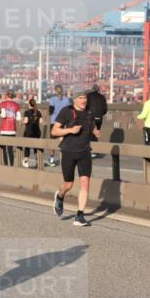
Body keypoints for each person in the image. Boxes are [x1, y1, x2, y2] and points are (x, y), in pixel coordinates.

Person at [51, 90, 99, 227]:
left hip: (85, 152)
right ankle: (60, 196)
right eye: (80, 98)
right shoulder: (67, 111)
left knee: (85, 184)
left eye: (85, 98)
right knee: (68, 184)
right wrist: (70, 131)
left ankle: (79, 216)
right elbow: (54, 131)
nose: (84, 100)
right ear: (74, 100)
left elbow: (92, 127)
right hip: (68, 151)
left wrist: (95, 131)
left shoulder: (89, 113)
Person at [46, 85, 70, 167]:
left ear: (55, 91)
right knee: (63, 142)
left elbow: (51, 111)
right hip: (63, 123)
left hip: (54, 123)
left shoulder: (52, 99)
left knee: (53, 142)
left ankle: (52, 160)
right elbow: (69, 111)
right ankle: (64, 161)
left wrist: (50, 111)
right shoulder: (66, 100)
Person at [0, 90, 22, 166]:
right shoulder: (16, 105)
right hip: (12, 129)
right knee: (10, 149)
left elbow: (4, 115)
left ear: (7, 95)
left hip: (4, 129)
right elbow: (18, 118)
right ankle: (11, 164)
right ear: (13, 96)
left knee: (4, 149)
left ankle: (6, 164)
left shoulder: (3, 104)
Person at [21, 98, 43, 168]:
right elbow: (41, 122)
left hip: (29, 131)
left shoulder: (27, 112)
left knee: (27, 147)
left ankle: (26, 161)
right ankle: (37, 161)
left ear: (29, 104)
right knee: (36, 147)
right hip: (37, 132)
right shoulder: (38, 112)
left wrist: (22, 121)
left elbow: (26, 121)